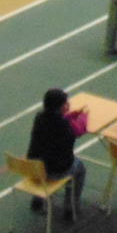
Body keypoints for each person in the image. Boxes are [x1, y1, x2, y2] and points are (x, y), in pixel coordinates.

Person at [24, 87, 86, 219]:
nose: (68, 105)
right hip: (55, 170)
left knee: (43, 160)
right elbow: (79, 131)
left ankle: (37, 199)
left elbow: (58, 120)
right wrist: (84, 117)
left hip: (34, 168)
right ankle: (70, 207)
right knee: (79, 167)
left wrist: (69, 115)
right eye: (66, 103)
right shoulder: (63, 125)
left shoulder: (39, 117)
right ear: (62, 107)